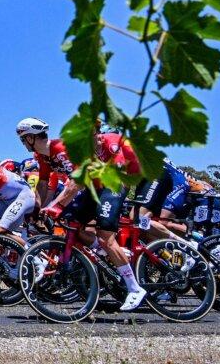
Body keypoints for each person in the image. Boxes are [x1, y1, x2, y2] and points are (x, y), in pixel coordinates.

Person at [17, 117, 147, 312]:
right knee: (70, 224)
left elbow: (77, 180)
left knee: (105, 236)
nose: (23, 143)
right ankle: (103, 251)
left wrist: (57, 205)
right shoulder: (42, 157)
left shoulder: (61, 149)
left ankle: (134, 288)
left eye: (22, 139)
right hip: (92, 188)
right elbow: (43, 186)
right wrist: (36, 210)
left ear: (30, 138)